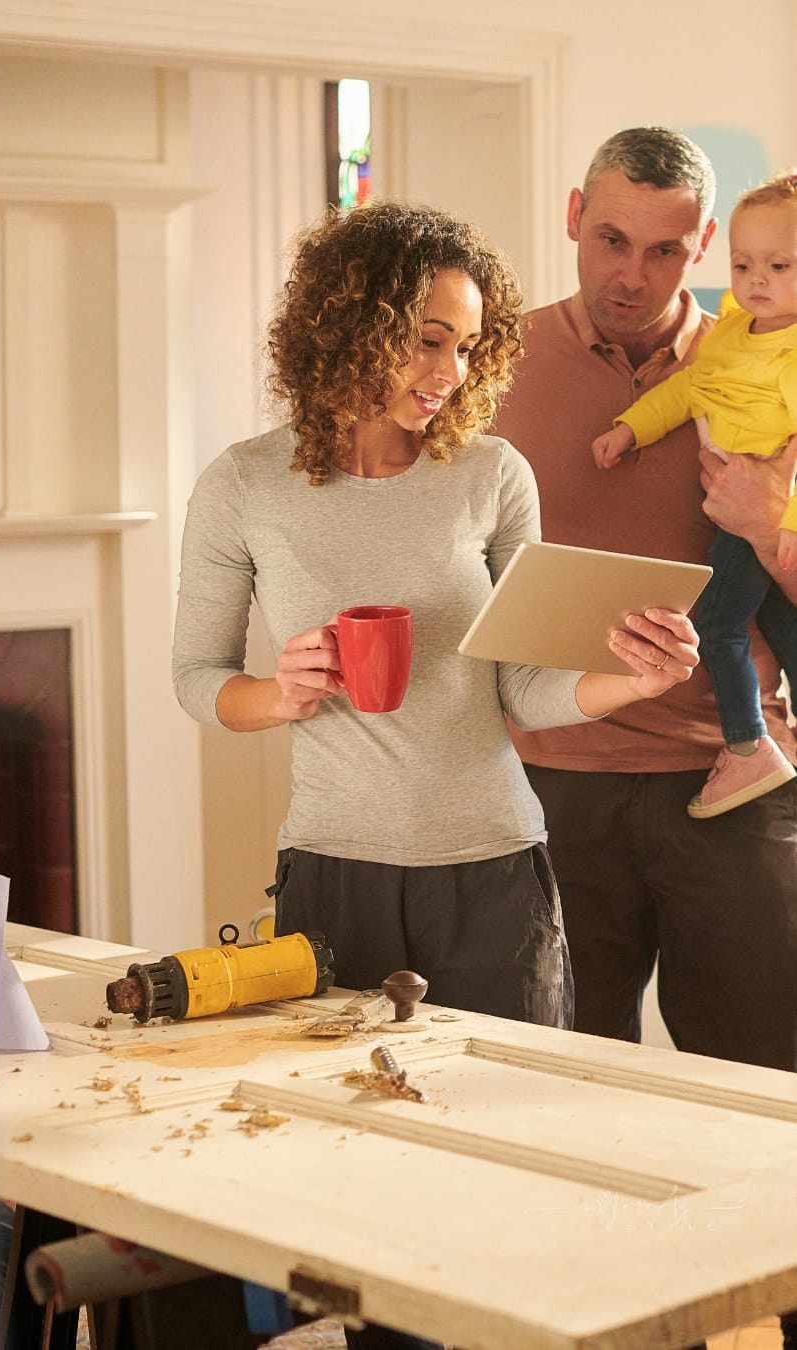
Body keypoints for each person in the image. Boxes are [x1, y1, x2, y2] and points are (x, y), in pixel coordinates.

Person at [172, 198, 699, 1350]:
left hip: (494, 877)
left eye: (467, 345)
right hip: (334, 883)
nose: (451, 372)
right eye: (426, 338)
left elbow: (525, 693)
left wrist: (628, 681)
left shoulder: (492, 476)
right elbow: (196, 676)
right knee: (358, 1186)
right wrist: (287, 691)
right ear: (348, 323)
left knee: (510, 1186)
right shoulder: (246, 485)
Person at [494, 127, 797, 1350]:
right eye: (613, 237)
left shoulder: (762, 354)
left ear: (706, 247)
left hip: (739, 785)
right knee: (567, 1102)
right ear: (574, 214)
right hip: (551, 785)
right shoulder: (494, 362)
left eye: (668, 248)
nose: (635, 271)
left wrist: (769, 533)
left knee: (767, 1100)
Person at [591, 172, 797, 819]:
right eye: (743, 264)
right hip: (739, 506)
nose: (756, 278)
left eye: (779, 264)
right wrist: (630, 428)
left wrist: (779, 521)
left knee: (716, 623)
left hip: (758, 509)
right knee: (783, 626)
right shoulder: (732, 333)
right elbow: (687, 393)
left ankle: (746, 747)